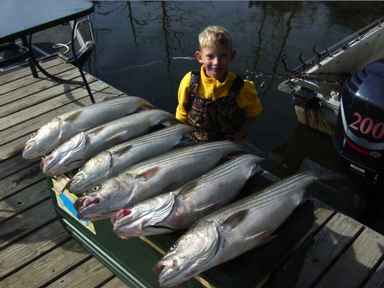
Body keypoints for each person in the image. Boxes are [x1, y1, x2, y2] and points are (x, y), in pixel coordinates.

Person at [175, 25, 263, 142]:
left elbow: (253, 114)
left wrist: (242, 133)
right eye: (210, 56)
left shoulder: (242, 88)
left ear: (232, 56)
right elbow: (181, 113)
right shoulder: (189, 81)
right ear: (199, 57)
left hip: (227, 143)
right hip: (193, 139)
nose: (216, 62)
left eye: (223, 56)